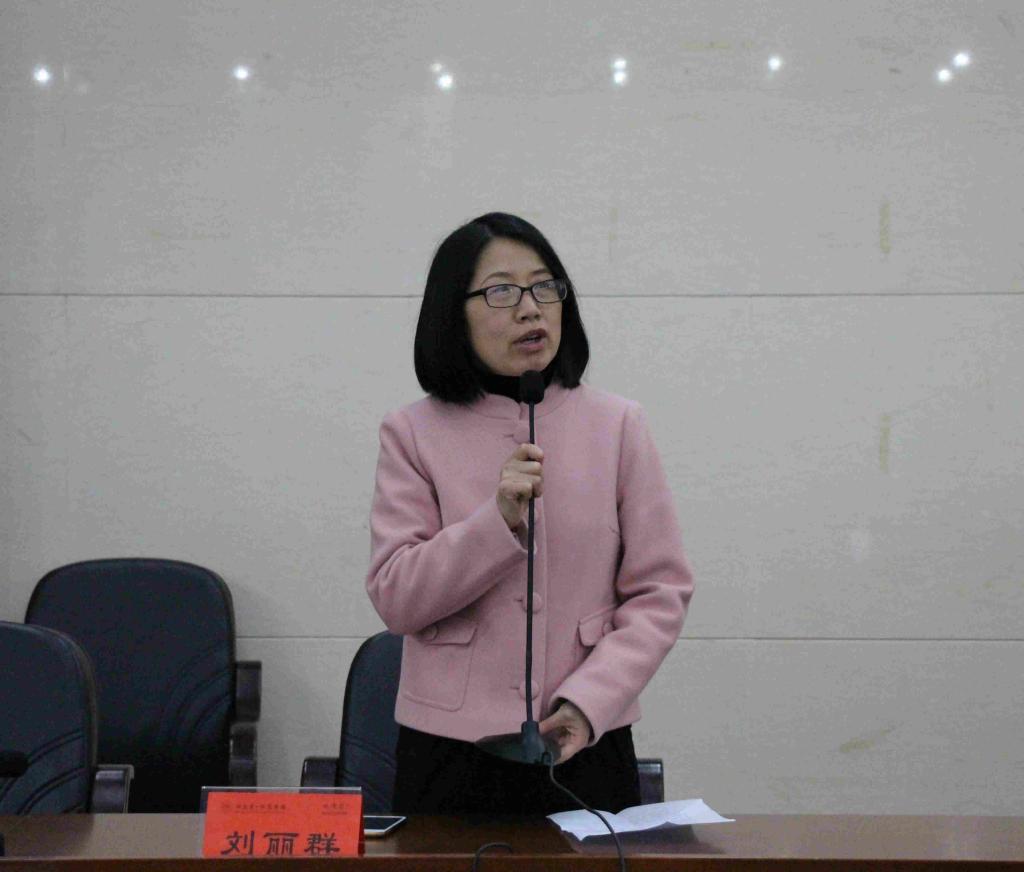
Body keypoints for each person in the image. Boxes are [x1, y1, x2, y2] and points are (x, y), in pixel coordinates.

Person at [366, 212, 694, 815]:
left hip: (584, 742)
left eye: (545, 287)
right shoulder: (412, 433)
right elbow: (396, 598)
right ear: (452, 313)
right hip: (448, 753)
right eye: (501, 292)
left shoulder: (618, 425)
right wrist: (495, 524)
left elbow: (660, 591)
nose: (530, 309)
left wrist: (589, 703)